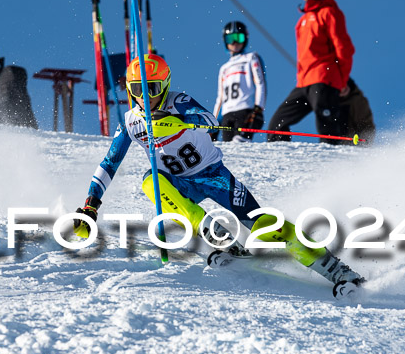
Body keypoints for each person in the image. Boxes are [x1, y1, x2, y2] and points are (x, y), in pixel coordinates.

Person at [71, 54, 365, 299]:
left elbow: (211, 123)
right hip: (180, 184)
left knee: (265, 226)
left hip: (215, 177)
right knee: (151, 180)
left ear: (166, 85)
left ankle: (335, 270)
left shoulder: (179, 101)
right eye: (137, 90)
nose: (145, 98)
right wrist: (90, 205)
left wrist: (174, 123)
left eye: (152, 88)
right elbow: (110, 162)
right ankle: (210, 230)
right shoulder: (130, 121)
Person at [267, 0, 355, 144]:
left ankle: (336, 161)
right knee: (277, 124)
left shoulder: (329, 13)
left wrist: (342, 80)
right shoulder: (302, 21)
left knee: (326, 123)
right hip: (304, 82)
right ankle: (280, 160)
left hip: (324, 77)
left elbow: (343, 48)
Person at [212, 21, 267, 142]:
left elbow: (260, 83)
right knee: (228, 151)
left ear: (245, 39)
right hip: (227, 113)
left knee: (240, 143)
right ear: (225, 41)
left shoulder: (251, 58)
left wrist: (258, 109)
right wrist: (213, 123)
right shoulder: (224, 68)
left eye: (239, 38)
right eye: (230, 39)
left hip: (244, 109)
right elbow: (220, 98)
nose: (234, 43)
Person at [338, 78, 376, 145]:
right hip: (335, 138)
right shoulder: (329, 99)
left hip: (354, 140)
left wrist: (364, 140)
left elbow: (366, 124)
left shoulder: (357, 101)